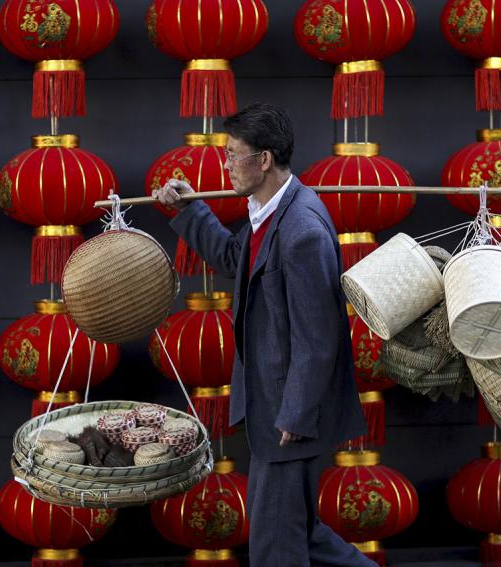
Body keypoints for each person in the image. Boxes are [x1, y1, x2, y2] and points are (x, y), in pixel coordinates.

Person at [154, 103, 374, 567]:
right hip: (274, 408)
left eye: (233, 154)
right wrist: (189, 210)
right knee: (300, 534)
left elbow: (319, 337)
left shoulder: (301, 230)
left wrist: (296, 413)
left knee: (276, 546)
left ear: (265, 159)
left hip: (288, 415)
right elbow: (235, 258)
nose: (226, 165)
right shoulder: (267, 211)